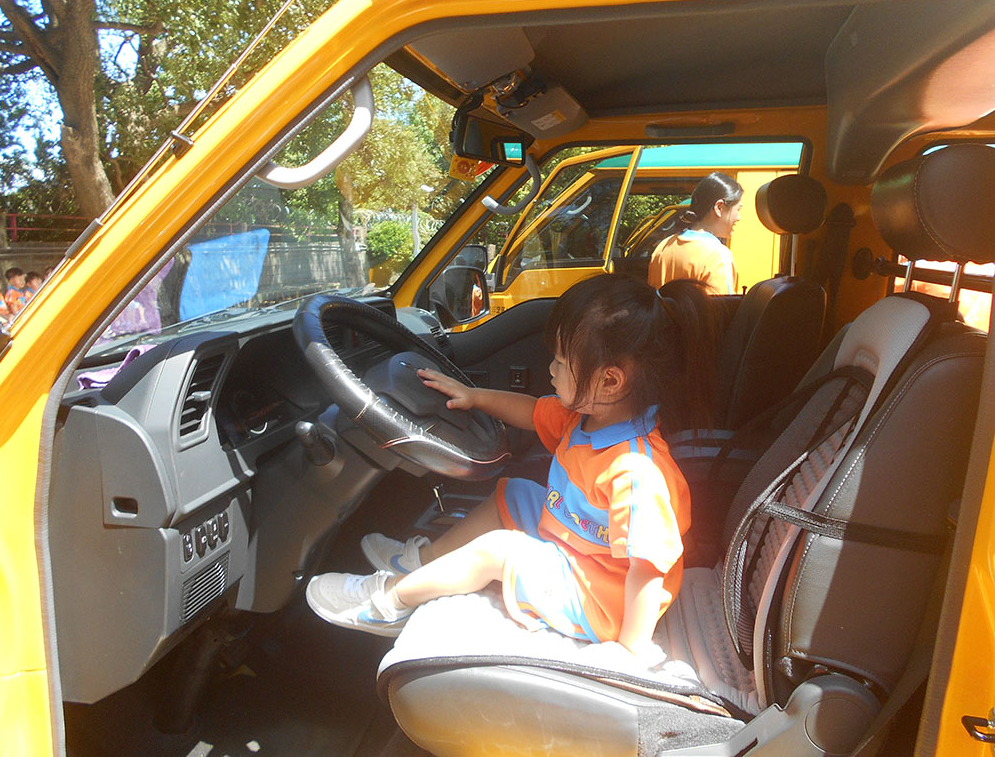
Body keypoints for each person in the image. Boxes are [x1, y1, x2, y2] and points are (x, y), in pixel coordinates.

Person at [305, 274, 719, 657]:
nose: (550, 370)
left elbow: (648, 570)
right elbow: (533, 411)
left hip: (604, 604)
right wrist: (474, 396)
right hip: (584, 554)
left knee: (497, 551)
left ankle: (390, 601)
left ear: (610, 381)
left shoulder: (637, 473)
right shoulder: (585, 419)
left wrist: (627, 653)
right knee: (515, 494)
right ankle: (424, 561)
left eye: (561, 362)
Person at [647, 172, 743, 295]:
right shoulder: (717, 256)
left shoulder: (663, 248)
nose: (738, 217)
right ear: (719, 207)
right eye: (738, 209)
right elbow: (721, 306)